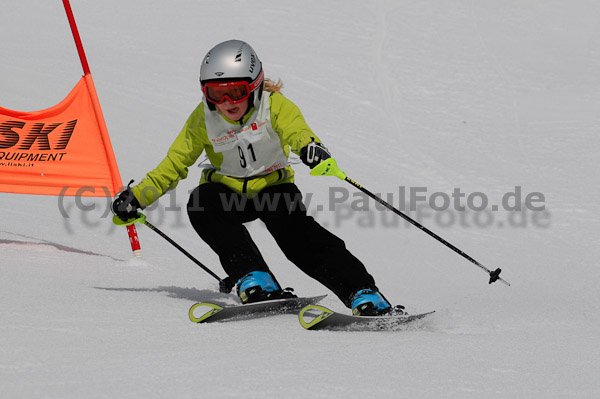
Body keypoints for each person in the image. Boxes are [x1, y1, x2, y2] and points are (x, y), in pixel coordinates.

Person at [112, 39, 400, 316]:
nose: (227, 101)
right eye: (215, 93)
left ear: (254, 85)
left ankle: (363, 293)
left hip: (274, 188)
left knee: (298, 238)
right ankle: (255, 279)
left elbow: (296, 131)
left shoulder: (274, 106)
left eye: (236, 91)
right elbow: (175, 162)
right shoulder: (203, 118)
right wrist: (139, 196)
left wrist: (310, 148)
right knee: (202, 203)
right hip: (227, 193)